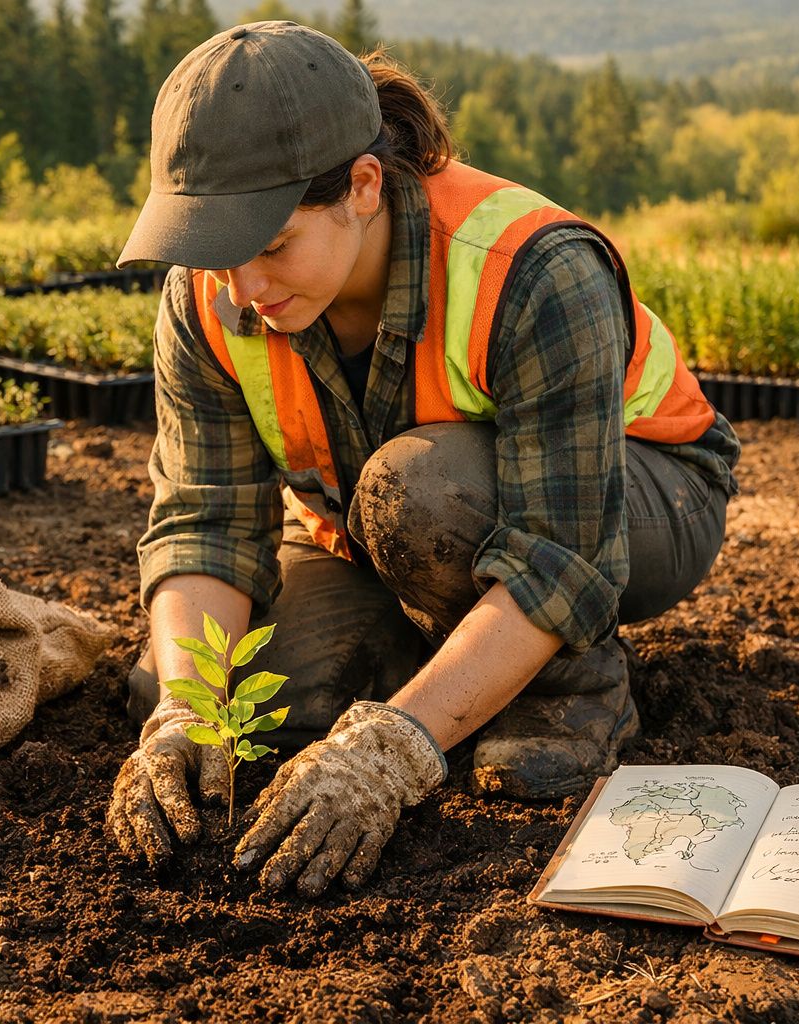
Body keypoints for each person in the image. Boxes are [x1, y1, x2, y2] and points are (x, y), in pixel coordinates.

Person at [106, 22, 740, 897]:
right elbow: (203, 520)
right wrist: (189, 703)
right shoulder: (211, 296)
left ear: (362, 186)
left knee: (419, 492)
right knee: (259, 693)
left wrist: (392, 753)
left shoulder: (532, 267)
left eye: (272, 243)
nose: (242, 289)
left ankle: (569, 687)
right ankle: (454, 668)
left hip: (641, 497)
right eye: (215, 251)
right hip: (368, 528)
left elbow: (564, 553)